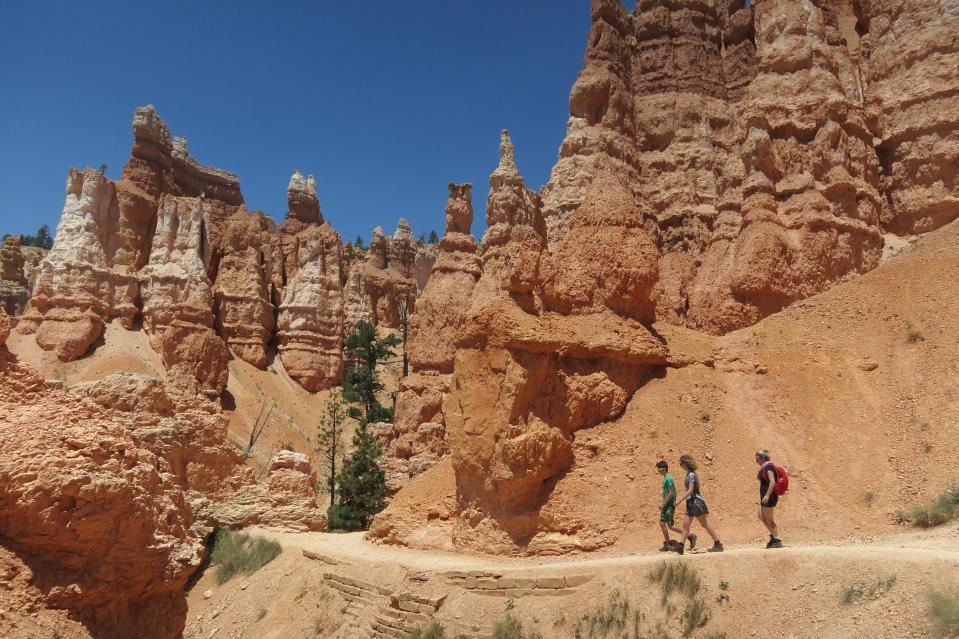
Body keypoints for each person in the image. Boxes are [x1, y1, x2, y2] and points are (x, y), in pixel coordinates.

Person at [674, 454, 724, 554]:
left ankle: (718, 544)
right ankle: (680, 547)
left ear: (685, 463)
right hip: (690, 502)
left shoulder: (691, 475)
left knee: (704, 523)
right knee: (685, 525)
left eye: (681, 463)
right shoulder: (688, 474)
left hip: (695, 501)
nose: (680, 466)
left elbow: (690, 490)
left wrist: (679, 499)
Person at [656, 460, 697, 551]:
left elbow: (671, 493)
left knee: (670, 525)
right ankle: (667, 544)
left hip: (669, 505)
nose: (658, 471)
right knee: (662, 523)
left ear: (663, 469)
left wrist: (663, 503)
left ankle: (689, 536)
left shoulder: (669, 479)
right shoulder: (665, 479)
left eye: (658, 469)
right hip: (666, 505)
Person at [756, 450, 783, 548]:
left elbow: (772, 482)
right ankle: (773, 536)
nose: (756, 461)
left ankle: (777, 540)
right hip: (764, 496)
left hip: (769, 496)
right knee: (761, 516)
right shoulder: (764, 467)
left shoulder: (768, 467)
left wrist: (767, 495)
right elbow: (763, 480)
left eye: (757, 459)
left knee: (769, 519)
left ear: (762, 458)